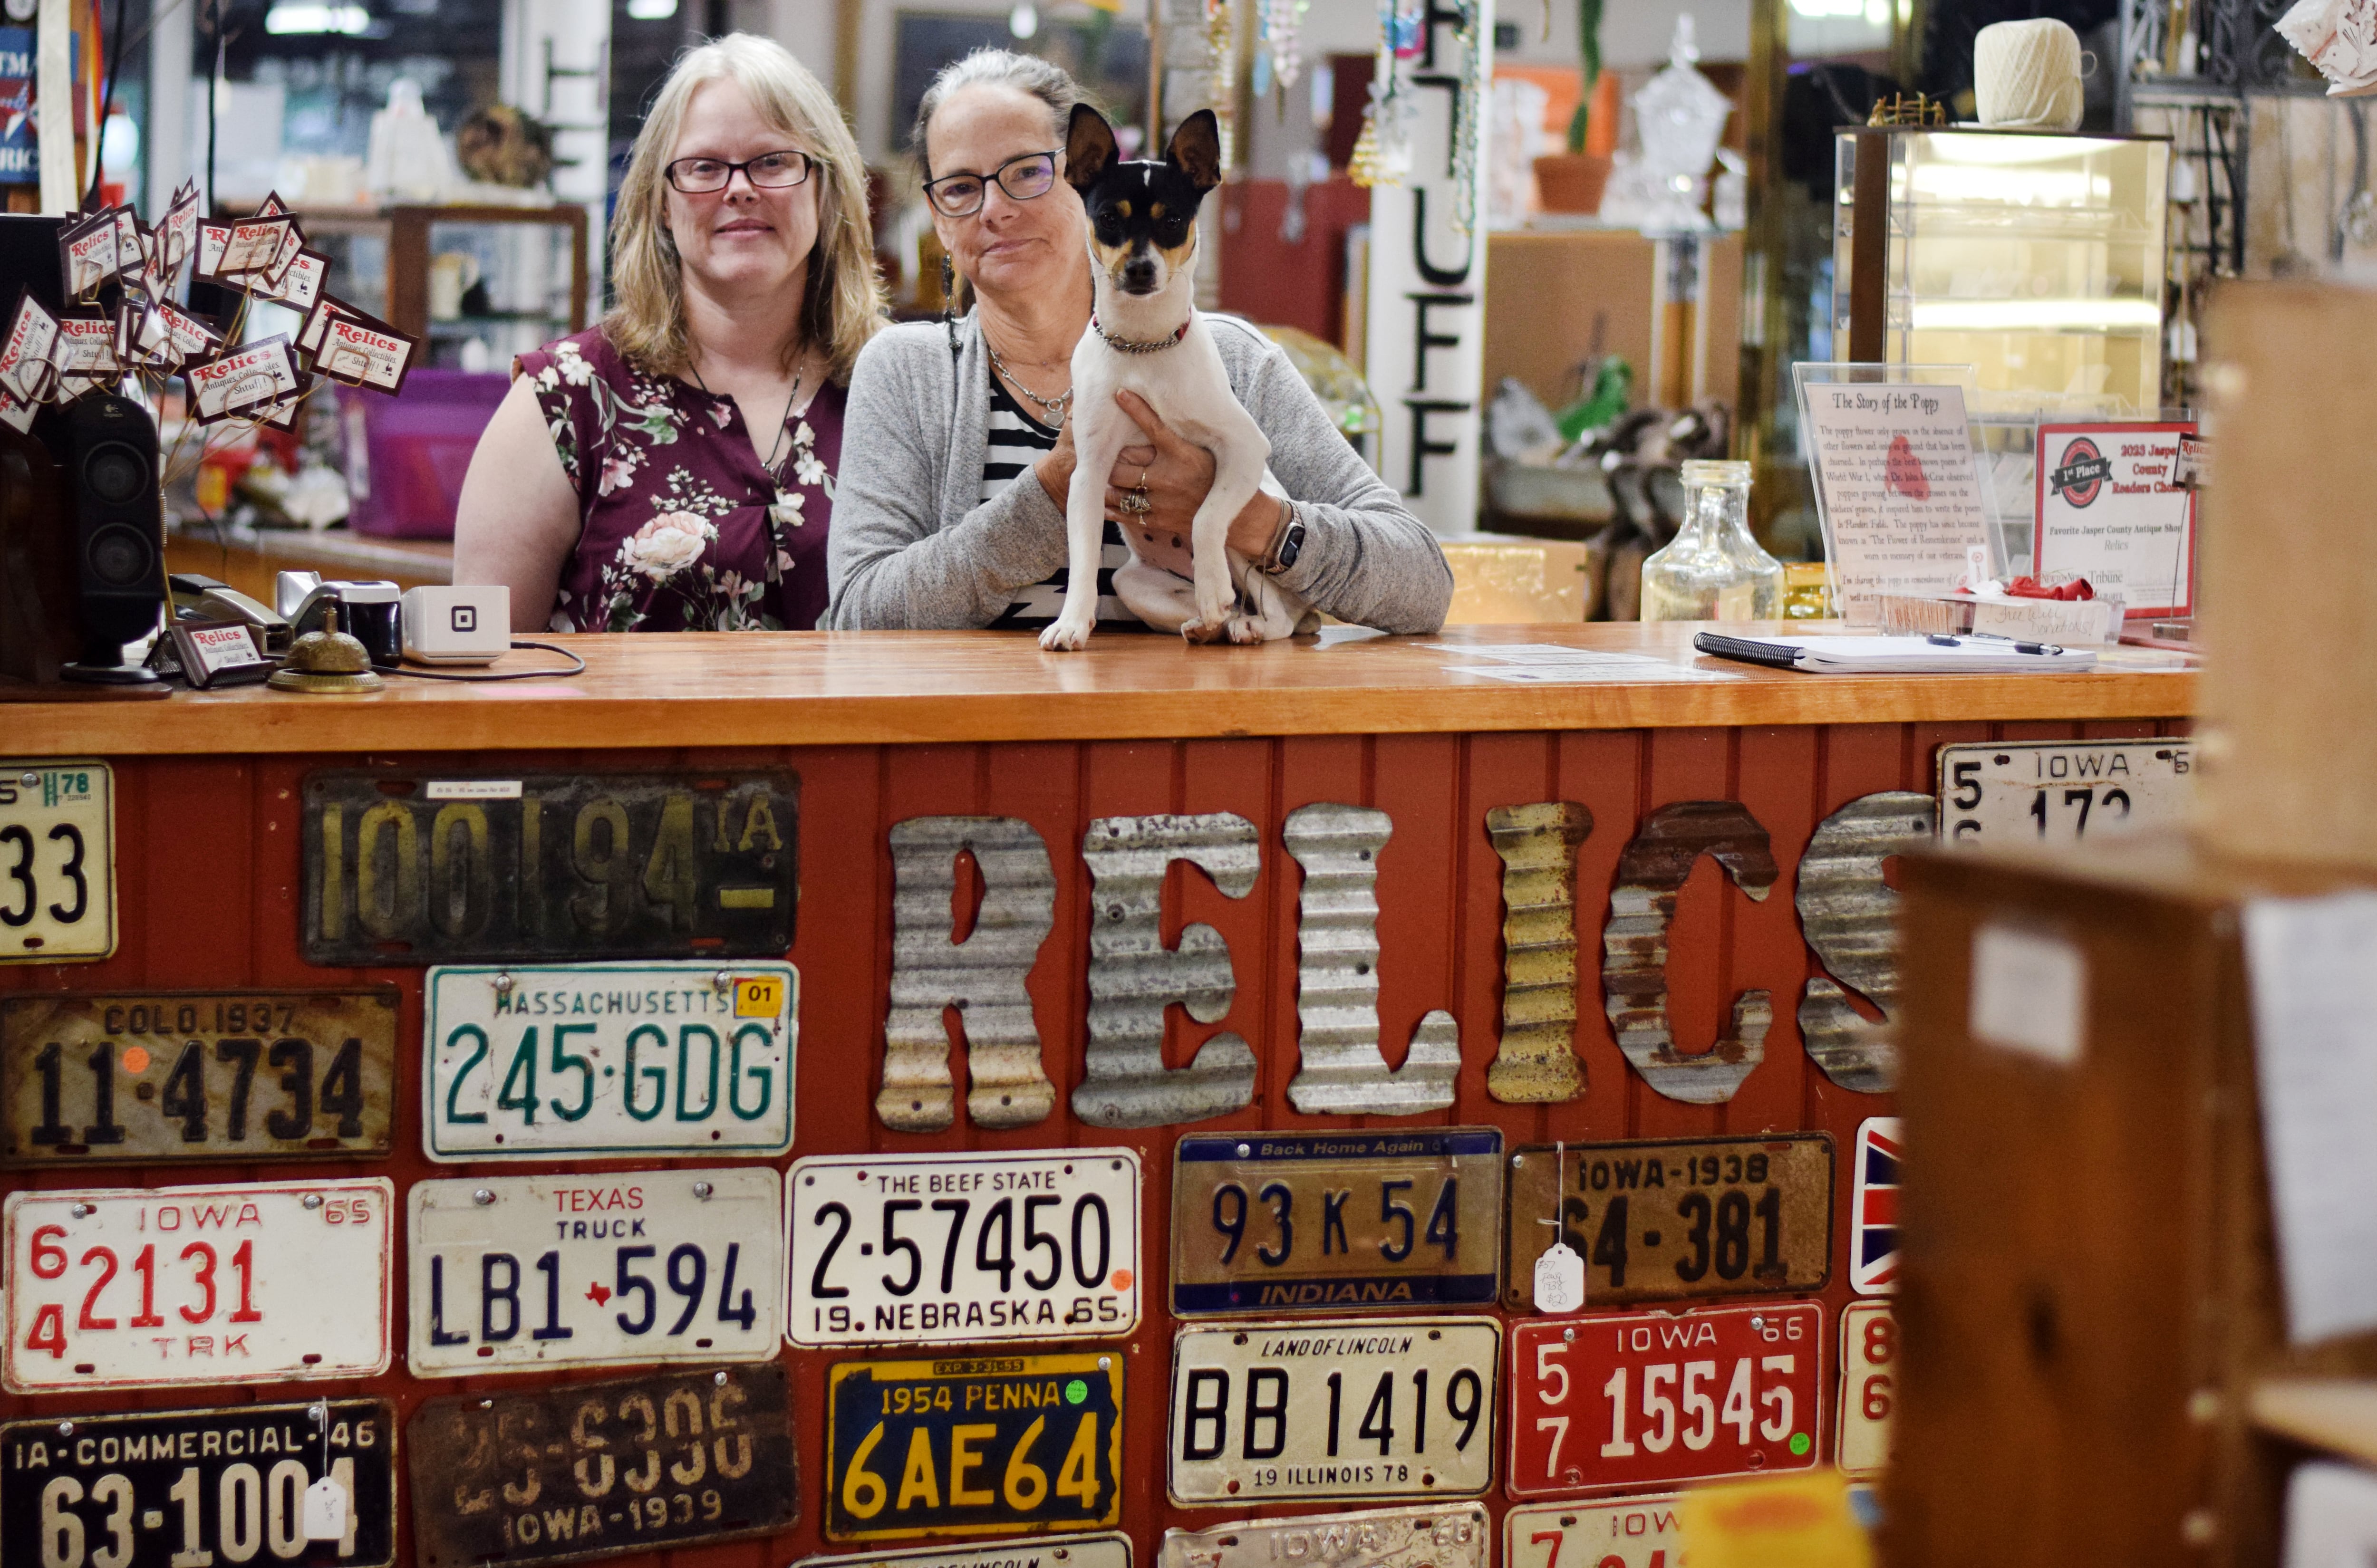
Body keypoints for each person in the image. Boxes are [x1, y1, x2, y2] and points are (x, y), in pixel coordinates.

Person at [826, 50, 1452, 635]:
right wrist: (1052, 490)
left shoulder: (1229, 358)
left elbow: (1422, 584)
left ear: (1079, 178)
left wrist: (1247, 517)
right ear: (938, 216)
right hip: (977, 740)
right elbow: (859, 614)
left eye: (1027, 172)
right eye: (961, 187)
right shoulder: (907, 371)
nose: (995, 208)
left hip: (1208, 735)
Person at [454, 34, 884, 632]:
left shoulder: (894, 386)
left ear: (825, 188)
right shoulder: (564, 398)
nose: (739, 188)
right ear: (660, 202)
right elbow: (485, 670)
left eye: (773, 161)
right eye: (704, 167)